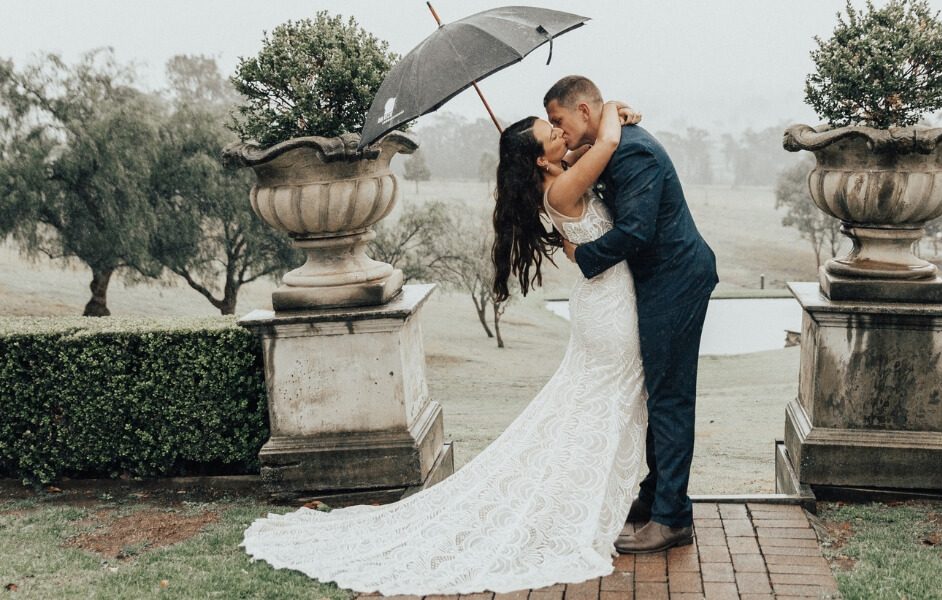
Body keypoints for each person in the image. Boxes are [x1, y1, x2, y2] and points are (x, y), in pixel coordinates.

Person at [240, 100, 646, 596]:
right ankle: (584, 504)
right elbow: (603, 142)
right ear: (541, 161)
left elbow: (587, 161)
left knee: (589, 407)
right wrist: (608, 108)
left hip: (604, 301)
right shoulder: (562, 186)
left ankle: (589, 497)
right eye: (552, 134)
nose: (562, 135)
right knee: (598, 406)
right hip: (608, 313)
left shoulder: (556, 181)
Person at [545, 75, 718, 554]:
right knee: (658, 394)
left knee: (670, 397)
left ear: (583, 109)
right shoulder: (609, 143)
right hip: (658, 280)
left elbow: (638, 230)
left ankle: (672, 519)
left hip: (677, 278)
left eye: (560, 120)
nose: (560, 132)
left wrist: (584, 257)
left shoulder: (632, 150)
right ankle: (653, 496)